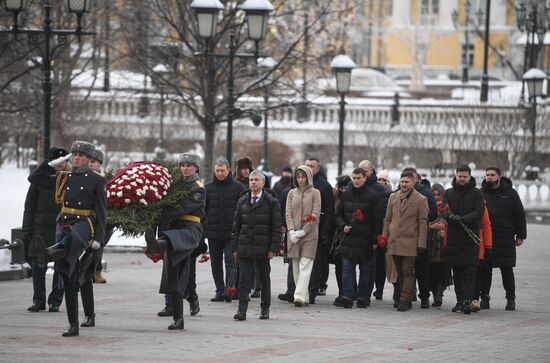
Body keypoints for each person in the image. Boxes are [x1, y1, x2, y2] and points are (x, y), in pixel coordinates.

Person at [28, 141, 107, 337]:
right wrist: (52, 162)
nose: (77, 157)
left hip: (83, 224)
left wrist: (98, 238)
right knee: (68, 275)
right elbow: (34, 178)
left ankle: (48, 252)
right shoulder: (63, 178)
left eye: (81, 155)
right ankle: (73, 325)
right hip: (63, 222)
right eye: (74, 154)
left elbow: (102, 212)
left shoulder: (96, 180)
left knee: (73, 237)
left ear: (89, 159)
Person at [145, 153, 206, 330]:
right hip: (174, 231)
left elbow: (184, 207)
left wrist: (163, 210)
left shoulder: (198, 186)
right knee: (174, 275)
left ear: (196, 168)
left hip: (189, 230)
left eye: (189, 165)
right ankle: (178, 318)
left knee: (180, 273)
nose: (185, 168)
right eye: (183, 165)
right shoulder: (174, 185)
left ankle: (157, 244)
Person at [23, 147, 68, 313]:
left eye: (64, 161)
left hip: (61, 228)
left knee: (60, 265)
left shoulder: (68, 179)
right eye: (57, 161)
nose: (61, 164)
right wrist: (27, 230)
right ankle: (39, 300)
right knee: (37, 265)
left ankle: (55, 301)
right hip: (40, 229)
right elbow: (29, 206)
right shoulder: (40, 180)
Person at [231, 170, 282, 321]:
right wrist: (234, 248)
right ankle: (242, 310)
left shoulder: (271, 202)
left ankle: (265, 309)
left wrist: (273, 248)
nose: (253, 182)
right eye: (251, 180)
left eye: (256, 180)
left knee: (264, 279)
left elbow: (276, 227)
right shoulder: (242, 201)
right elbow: (236, 226)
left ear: (263, 183)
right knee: (244, 280)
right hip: (245, 246)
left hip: (263, 247)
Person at [381, 170, 428, 311]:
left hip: (411, 241)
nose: (404, 184)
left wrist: (421, 243)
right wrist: (384, 237)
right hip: (394, 241)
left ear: (413, 182)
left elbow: (423, 222)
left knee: (407, 270)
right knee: (399, 272)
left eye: (407, 182)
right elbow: (387, 218)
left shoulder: (421, 199)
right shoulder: (393, 197)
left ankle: (403, 299)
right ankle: (405, 296)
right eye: (402, 182)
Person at [481, 166, 526, 311]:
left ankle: (510, 298)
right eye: (487, 175)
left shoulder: (511, 193)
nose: (489, 177)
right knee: (484, 270)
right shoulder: (480, 193)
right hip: (487, 238)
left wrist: (520, 236)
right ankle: (484, 298)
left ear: (499, 177)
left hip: (505, 237)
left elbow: (519, 215)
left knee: (506, 270)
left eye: (492, 175)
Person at [334, 168, 380, 308]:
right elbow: (338, 214)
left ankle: (363, 297)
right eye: (354, 178)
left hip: (366, 240)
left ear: (365, 178)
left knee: (366, 271)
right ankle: (348, 296)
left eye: (359, 178)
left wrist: (374, 240)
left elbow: (378, 220)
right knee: (347, 269)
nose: (356, 180)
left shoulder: (373, 196)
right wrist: (343, 226)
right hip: (349, 239)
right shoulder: (346, 195)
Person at [444, 164, 485, 314]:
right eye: (459, 176)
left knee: (470, 271)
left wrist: (462, 219)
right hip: (454, 239)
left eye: (464, 177)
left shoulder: (477, 193)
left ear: (469, 177)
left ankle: (468, 301)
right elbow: (443, 211)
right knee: (457, 272)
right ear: (456, 176)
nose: (461, 179)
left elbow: (479, 212)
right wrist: (449, 217)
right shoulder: (448, 193)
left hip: (470, 238)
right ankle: (460, 301)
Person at [205, 158, 244, 302]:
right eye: (217, 171)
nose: (220, 173)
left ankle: (230, 289)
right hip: (213, 232)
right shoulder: (207, 188)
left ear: (228, 170)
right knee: (215, 263)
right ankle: (219, 290)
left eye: (223, 170)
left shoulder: (238, 188)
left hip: (231, 233)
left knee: (230, 261)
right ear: (214, 171)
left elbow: (242, 211)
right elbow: (204, 210)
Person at [285, 165, 321, 306]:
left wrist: (303, 231)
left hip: (309, 235)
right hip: (293, 234)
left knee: (305, 264)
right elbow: (287, 213)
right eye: (298, 177)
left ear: (308, 177)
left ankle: (298, 296)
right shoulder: (291, 193)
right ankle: (304, 296)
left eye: (303, 176)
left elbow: (315, 214)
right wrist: (292, 231)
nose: (300, 180)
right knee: (295, 266)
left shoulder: (315, 193)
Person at [304, 157, 334, 303]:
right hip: (300, 229)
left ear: (317, 169)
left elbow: (329, 211)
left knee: (315, 263)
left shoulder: (324, 186)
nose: (308, 168)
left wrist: (325, 233)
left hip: (318, 229)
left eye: (311, 166)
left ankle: (312, 291)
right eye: (306, 165)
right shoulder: (298, 182)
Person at [358, 160, 388, 303]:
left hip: (372, 231)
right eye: (360, 169)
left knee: (372, 266)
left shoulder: (378, 188)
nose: (363, 172)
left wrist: (378, 236)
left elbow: (382, 212)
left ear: (372, 170)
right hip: (358, 232)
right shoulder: (355, 185)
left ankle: (369, 293)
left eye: (365, 169)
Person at [427, 183, 451, 307]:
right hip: (430, 245)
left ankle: (439, 295)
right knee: (432, 272)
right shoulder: (428, 207)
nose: (436, 197)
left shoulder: (447, 208)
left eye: (438, 194)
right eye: (434, 194)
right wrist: (431, 226)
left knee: (442, 272)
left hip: (442, 245)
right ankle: (434, 293)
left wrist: (443, 227)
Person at [88, 148, 108, 284]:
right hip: (85, 217)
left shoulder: (103, 180)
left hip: (99, 219)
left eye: (93, 162)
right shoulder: (83, 177)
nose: (90, 164)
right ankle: (86, 271)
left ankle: (97, 271)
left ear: (100, 164)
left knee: (98, 247)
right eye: (88, 161)